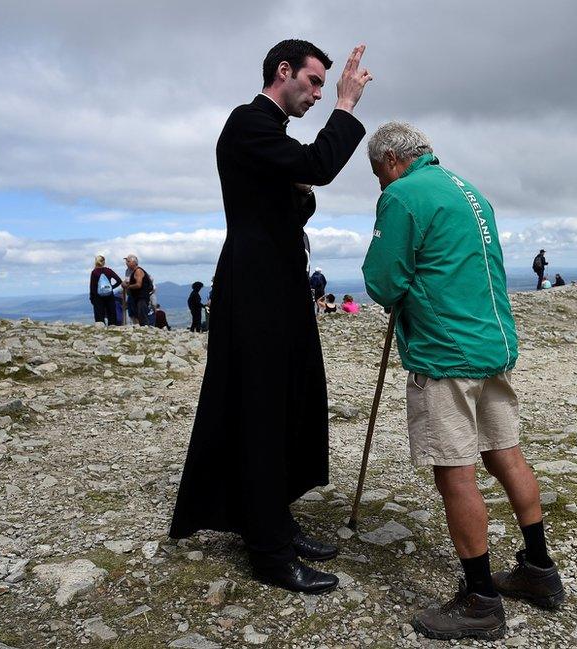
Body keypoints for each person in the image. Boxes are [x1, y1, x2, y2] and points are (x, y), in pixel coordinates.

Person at [169, 40, 371, 595]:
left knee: (289, 401)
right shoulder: (247, 123)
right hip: (255, 289)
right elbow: (318, 166)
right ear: (283, 72)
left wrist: (298, 192)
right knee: (260, 407)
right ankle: (269, 553)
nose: (317, 94)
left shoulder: (270, 133)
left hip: (279, 285)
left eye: (326, 89)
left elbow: (292, 194)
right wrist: (346, 107)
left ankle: (272, 519)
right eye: (312, 82)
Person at [362, 122, 563, 641]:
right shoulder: (471, 191)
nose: (380, 185)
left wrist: (401, 286)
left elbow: (383, 281)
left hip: (445, 352)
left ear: (390, 160)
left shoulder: (403, 194)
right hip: (493, 344)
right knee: (505, 450)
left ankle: (480, 600)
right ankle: (538, 570)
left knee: (455, 470)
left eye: (377, 174)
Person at [89, 255, 122, 326]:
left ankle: (101, 330)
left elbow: (92, 287)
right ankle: (112, 327)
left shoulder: (94, 272)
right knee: (111, 313)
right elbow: (119, 281)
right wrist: (111, 287)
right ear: (104, 262)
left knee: (99, 316)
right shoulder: (108, 271)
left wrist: (92, 298)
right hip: (109, 295)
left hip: (98, 297)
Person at [121, 254, 153, 326]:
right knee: (136, 314)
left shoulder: (138, 271)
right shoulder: (132, 271)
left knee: (142, 315)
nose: (126, 263)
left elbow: (138, 284)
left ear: (134, 262)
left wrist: (128, 287)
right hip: (136, 297)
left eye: (128, 261)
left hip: (141, 297)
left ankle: (145, 329)